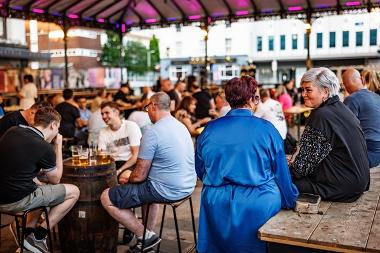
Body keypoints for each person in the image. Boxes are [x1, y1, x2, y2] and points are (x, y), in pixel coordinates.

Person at [195, 76, 298, 253]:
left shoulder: (209, 129)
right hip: (258, 202)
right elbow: (281, 174)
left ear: (229, 99)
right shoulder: (267, 129)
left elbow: (201, 170)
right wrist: (290, 200)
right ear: (251, 99)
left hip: (215, 202)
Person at [101, 92, 196, 252]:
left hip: (167, 190)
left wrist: (127, 178)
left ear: (153, 106)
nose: (147, 112)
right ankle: (146, 240)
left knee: (106, 197)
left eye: (147, 108)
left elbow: (139, 176)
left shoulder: (153, 132)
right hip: (188, 186)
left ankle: (145, 236)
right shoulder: (181, 126)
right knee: (145, 192)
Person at [0, 107, 80, 253]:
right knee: (74, 191)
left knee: (40, 186)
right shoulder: (44, 146)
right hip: (14, 201)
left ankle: (28, 234)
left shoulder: (12, 131)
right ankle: (38, 237)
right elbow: (56, 179)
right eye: (58, 128)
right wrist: (58, 146)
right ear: (53, 125)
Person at [289, 67, 369, 202]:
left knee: (281, 183)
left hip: (343, 186)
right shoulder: (341, 108)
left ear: (325, 91)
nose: (303, 94)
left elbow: (302, 167)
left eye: (308, 90)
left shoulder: (320, 115)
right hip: (358, 182)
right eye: (302, 89)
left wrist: (285, 172)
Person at [342, 68, 380, 168]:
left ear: (345, 85)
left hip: (367, 150)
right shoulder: (377, 97)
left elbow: (344, 129)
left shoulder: (351, 99)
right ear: (362, 79)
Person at [98, 101, 142, 182]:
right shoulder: (103, 131)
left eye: (107, 113)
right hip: (112, 164)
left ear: (116, 112)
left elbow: (136, 155)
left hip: (130, 163)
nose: (103, 116)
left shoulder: (131, 126)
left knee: (124, 178)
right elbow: (101, 155)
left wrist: (119, 171)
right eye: (102, 114)